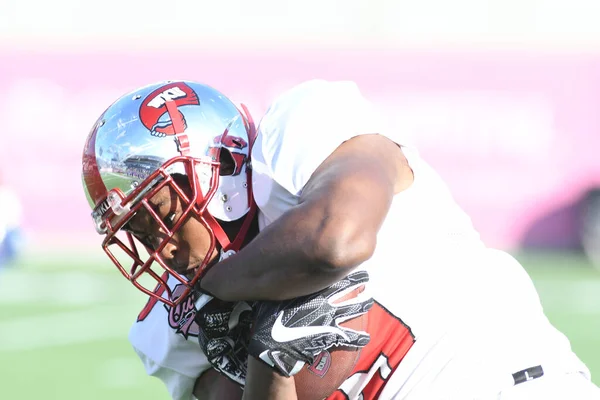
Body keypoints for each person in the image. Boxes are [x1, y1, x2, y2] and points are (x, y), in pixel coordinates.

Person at [81, 79, 599, 399]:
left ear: (217, 169)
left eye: (160, 218)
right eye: (139, 236)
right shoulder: (171, 327)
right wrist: (270, 362)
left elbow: (338, 241)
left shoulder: (300, 129)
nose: (161, 250)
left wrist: (231, 286)